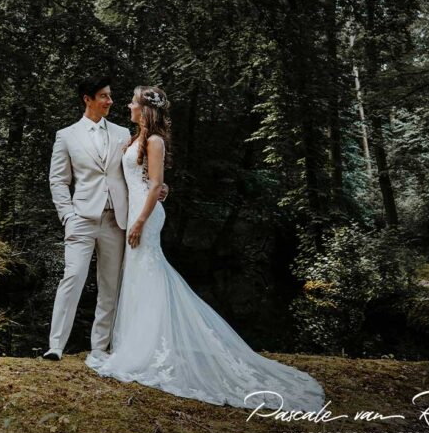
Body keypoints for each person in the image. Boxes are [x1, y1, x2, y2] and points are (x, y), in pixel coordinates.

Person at [84, 86, 327, 412]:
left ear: (145, 109)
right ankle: (140, 342)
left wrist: (141, 220)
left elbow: (155, 185)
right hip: (137, 210)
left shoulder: (154, 141)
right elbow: (148, 180)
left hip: (145, 215)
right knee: (141, 275)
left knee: (149, 273)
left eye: (133, 102)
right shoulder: (134, 139)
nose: (128, 105)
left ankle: (148, 348)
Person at [42, 77, 166, 361]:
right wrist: (67, 215)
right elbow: (58, 181)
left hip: (117, 220)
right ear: (87, 99)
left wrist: (159, 187)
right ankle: (56, 346)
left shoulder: (124, 134)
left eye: (110, 95)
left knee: (110, 286)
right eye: (103, 96)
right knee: (72, 277)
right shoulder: (66, 136)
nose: (110, 101)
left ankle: (100, 347)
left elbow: (139, 170)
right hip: (81, 218)